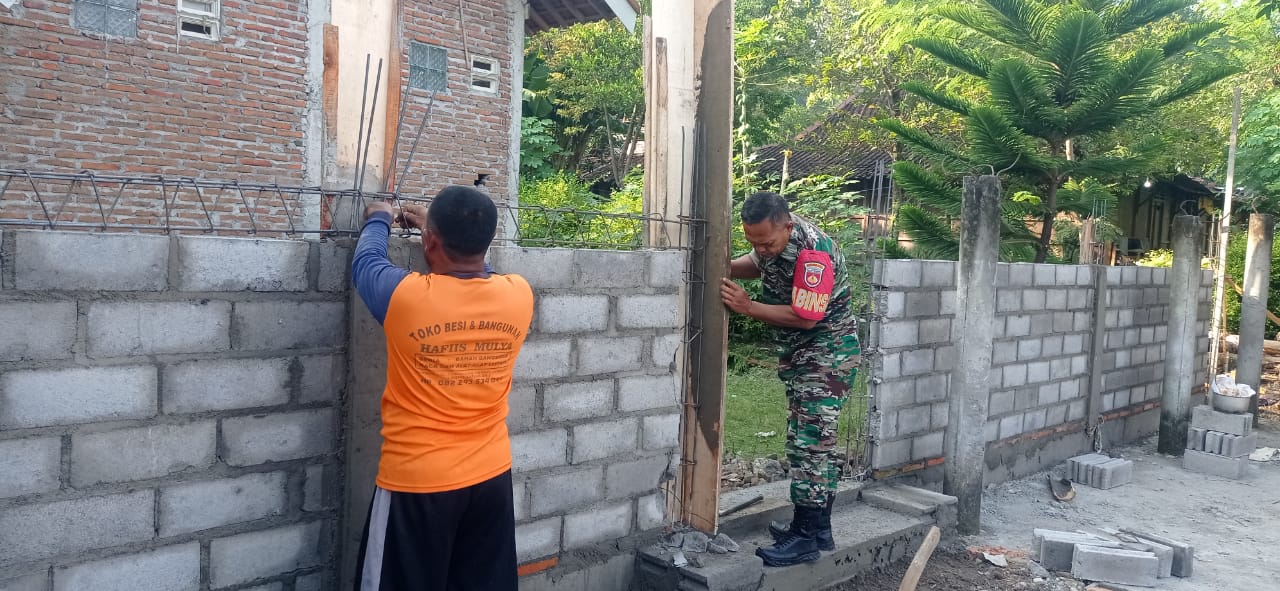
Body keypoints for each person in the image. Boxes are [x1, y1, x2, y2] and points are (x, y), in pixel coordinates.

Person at [351, 185, 534, 590]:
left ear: (431, 241)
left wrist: (379, 217)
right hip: (491, 477)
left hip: (417, 484)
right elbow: (481, 271)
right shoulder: (519, 294)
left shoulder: (405, 298)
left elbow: (366, 263)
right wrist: (438, 233)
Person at [719, 191, 860, 567]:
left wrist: (748, 306)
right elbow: (755, 263)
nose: (760, 249)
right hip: (807, 359)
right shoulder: (773, 242)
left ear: (787, 225)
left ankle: (805, 539)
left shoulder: (814, 255)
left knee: (809, 446)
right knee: (813, 445)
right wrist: (720, 266)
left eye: (767, 242)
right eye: (753, 241)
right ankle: (818, 529)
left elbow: (806, 318)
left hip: (828, 359)